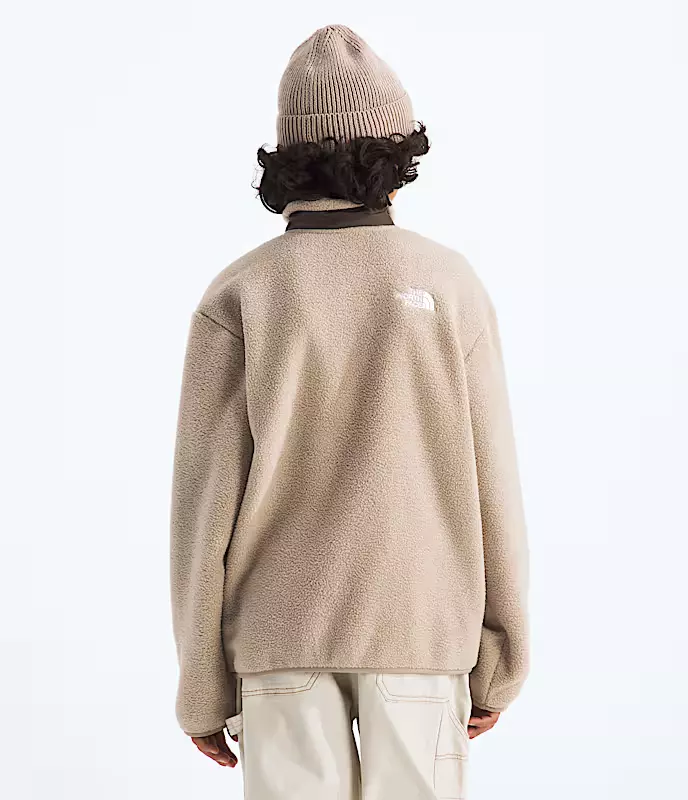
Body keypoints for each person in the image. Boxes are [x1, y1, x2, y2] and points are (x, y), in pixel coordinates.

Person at [169, 23, 529, 800]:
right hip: (422, 633)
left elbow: (203, 512)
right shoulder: (450, 285)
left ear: (287, 157)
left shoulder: (240, 295)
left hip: (279, 641)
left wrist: (201, 685)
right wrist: (502, 657)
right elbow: (493, 483)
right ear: (397, 157)